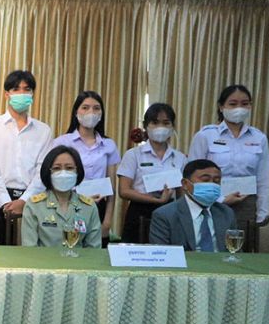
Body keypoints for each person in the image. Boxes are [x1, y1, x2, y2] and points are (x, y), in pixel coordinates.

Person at [0, 70, 53, 245]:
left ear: (33, 94)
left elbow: (43, 170)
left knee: (29, 253)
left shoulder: (44, 130)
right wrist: (5, 203)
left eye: (27, 89)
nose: (21, 93)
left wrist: (24, 200)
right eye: (16, 89)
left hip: (33, 200)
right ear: (7, 94)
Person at [188, 85, 269, 226]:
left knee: (244, 239)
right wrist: (220, 199)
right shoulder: (206, 135)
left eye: (244, 104)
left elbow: (263, 180)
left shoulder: (259, 138)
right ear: (221, 107)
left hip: (247, 204)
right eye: (233, 104)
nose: (239, 108)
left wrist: (262, 216)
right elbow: (192, 176)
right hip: (211, 202)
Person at [50, 91, 120, 246]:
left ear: (101, 113)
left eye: (96, 108)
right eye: (85, 107)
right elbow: (52, 180)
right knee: (70, 249)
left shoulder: (109, 144)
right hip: (68, 205)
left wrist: (107, 221)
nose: (91, 112)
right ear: (76, 112)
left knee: (97, 254)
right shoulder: (62, 142)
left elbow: (111, 188)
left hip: (98, 207)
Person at [117, 103, 187, 243]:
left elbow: (181, 195)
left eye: (166, 123)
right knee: (136, 253)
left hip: (170, 211)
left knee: (167, 253)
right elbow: (124, 191)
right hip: (139, 211)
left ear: (172, 127)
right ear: (146, 126)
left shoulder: (180, 158)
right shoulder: (133, 154)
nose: (160, 127)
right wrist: (155, 200)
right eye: (155, 122)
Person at [21, 146, 102, 248]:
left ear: (77, 172)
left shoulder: (89, 207)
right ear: (48, 172)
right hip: (43, 258)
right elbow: (29, 248)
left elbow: (94, 249)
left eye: (69, 168)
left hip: (79, 258)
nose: (63, 173)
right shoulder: (34, 206)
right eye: (57, 168)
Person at [149, 159, 236, 252]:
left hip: (220, 261)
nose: (211, 185)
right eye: (205, 180)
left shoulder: (226, 213)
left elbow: (235, 251)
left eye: (216, 181)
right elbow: (161, 253)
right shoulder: (165, 215)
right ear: (185, 184)